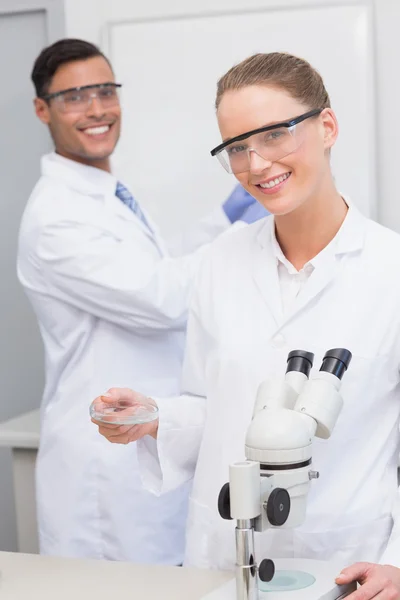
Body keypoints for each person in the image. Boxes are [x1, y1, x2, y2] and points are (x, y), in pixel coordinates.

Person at [92, 52, 400, 598]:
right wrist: (156, 419)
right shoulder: (219, 261)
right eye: (237, 148)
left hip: (350, 565)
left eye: (276, 134)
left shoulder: (390, 270)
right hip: (227, 561)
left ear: (327, 127)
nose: (257, 165)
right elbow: (215, 405)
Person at [17, 38, 267, 563]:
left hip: (151, 436)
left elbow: (160, 265)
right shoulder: (55, 219)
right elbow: (163, 297)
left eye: (106, 91)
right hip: (105, 472)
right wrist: (245, 238)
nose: (97, 109)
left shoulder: (107, 192)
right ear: (43, 109)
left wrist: (222, 219)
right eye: (75, 97)